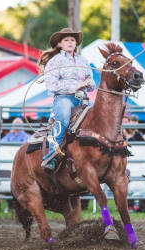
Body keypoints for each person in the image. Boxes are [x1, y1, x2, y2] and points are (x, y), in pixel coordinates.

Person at [38, 28, 95, 171]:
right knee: (63, 119)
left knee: (100, 115)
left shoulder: (83, 60)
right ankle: (52, 156)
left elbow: (92, 83)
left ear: (76, 43)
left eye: (72, 40)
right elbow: (52, 85)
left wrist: (88, 84)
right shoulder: (55, 61)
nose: (70, 42)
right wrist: (76, 86)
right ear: (59, 44)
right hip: (64, 98)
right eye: (66, 40)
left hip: (83, 99)